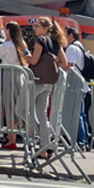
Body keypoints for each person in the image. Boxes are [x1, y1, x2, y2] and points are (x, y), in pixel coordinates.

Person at [29, 16, 70, 160]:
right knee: (42, 113)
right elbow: (64, 63)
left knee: (20, 109)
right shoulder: (56, 42)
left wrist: (25, 56)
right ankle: (44, 147)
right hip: (49, 82)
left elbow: (34, 61)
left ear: (45, 28)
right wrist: (52, 62)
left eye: (37, 26)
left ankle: (40, 134)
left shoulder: (40, 40)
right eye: (34, 26)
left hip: (37, 81)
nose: (34, 29)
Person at [0, 21, 30, 150]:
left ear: (8, 31)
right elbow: (27, 55)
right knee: (21, 107)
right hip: (21, 75)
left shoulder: (6, 45)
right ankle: (27, 139)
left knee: (9, 107)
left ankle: (11, 139)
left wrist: (3, 41)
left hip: (8, 75)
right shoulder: (21, 44)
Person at [63, 26, 91, 148]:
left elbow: (68, 66)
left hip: (74, 85)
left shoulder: (72, 48)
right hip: (82, 85)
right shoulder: (80, 46)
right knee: (81, 114)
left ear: (70, 35)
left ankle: (79, 141)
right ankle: (84, 140)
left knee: (77, 114)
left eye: (65, 34)